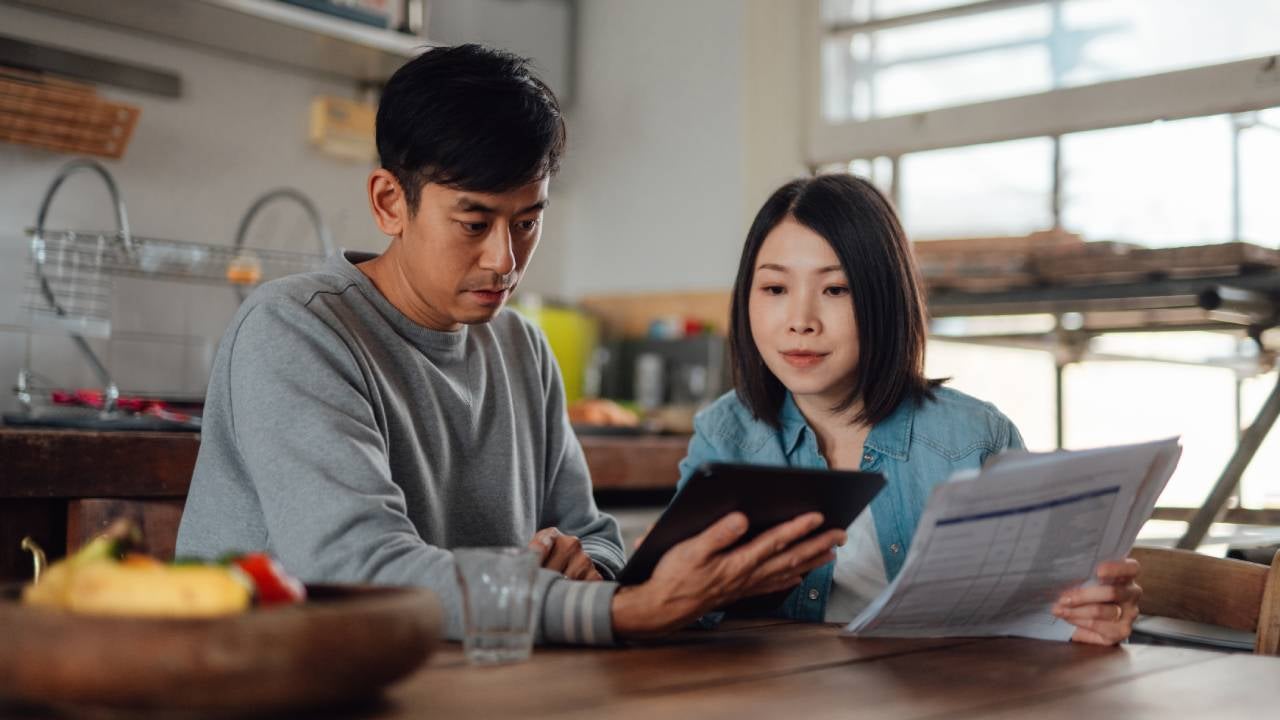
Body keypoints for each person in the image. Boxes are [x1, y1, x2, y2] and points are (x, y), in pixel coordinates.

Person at [176, 44, 844, 645]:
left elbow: (591, 534)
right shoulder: (295, 330)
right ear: (388, 203)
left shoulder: (520, 346)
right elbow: (358, 568)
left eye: (527, 222)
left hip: (463, 681)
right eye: (474, 221)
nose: (505, 259)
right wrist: (619, 610)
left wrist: (593, 569)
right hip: (280, 682)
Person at [676, 174, 1141, 645]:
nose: (801, 322)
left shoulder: (975, 439)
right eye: (775, 289)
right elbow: (679, 609)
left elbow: (1042, 612)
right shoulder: (724, 435)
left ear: (886, 298)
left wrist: (1087, 619)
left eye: (836, 289)